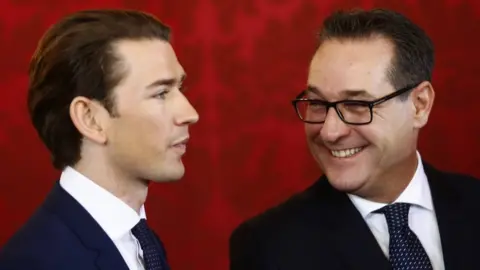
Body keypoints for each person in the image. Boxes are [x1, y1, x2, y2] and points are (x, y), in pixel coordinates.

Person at [229, 8, 480, 270]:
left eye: (357, 104)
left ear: (419, 105)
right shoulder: (269, 248)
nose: (330, 132)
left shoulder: (473, 203)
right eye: (317, 103)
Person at [0, 9, 199, 270]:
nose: (190, 114)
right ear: (90, 119)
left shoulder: (141, 241)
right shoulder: (37, 261)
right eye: (161, 93)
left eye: (179, 88)